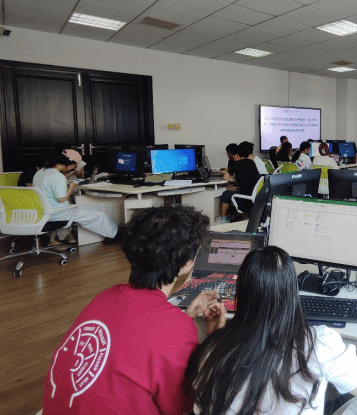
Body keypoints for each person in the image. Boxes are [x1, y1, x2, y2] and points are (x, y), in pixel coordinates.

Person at [186, 246, 357, 415]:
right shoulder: (318, 345)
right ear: (291, 294)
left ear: (242, 294)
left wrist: (218, 335)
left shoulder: (209, 353)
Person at [42, 205, 226, 415]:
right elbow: (182, 407)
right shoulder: (175, 329)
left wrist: (185, 318)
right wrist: (216, 341)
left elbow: (132, 345)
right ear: (187, 262)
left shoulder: (104, 297)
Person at [33, 153, 121, 247]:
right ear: (68, 164)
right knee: (97, 214)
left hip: (42, 212)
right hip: (56, 213)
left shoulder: (40, 172)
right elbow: (61, 199)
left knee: (92, 209)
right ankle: (115, 235)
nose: (73, 169)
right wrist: (71, 186)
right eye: (74, 166)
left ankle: (114, 230)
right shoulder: (57, 176)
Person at [219, 145, 262, 222]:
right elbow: (245, 177)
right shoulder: (252, 162)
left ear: (236, 156)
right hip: (255, 199)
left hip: (246, 200)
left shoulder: (236, 164)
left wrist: (229, 178)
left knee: (225, 194)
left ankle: (223, 219)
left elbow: (225, 177)